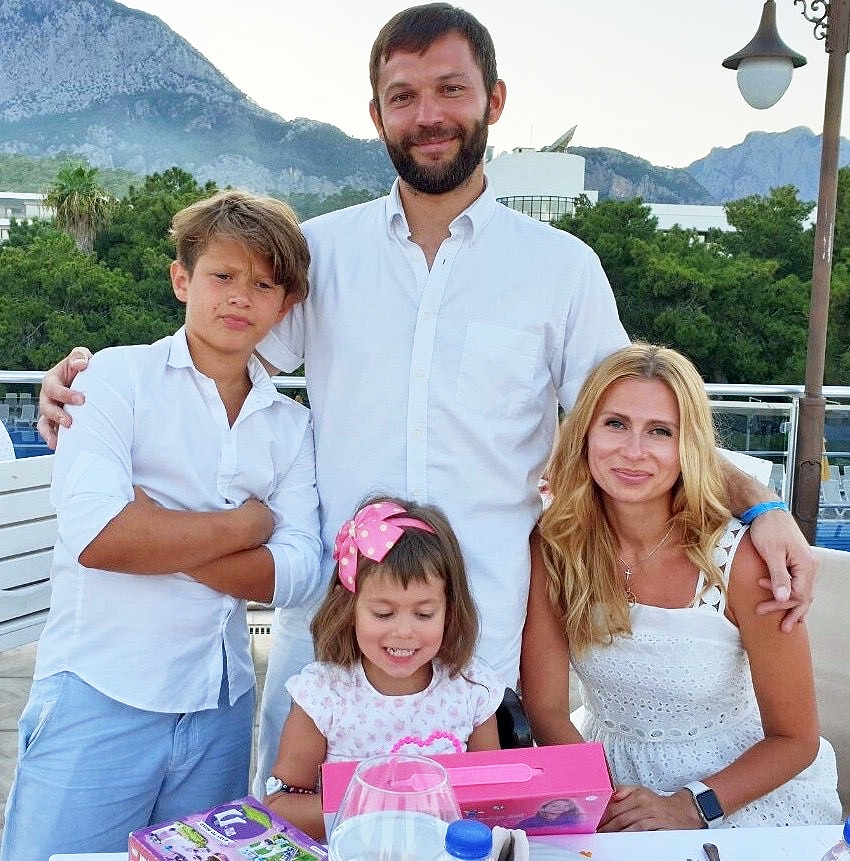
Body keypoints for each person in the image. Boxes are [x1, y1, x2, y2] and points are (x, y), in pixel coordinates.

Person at [36, 3, 816, 802]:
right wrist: (90, 378)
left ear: (495, 101)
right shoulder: (321, 253)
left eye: (451, 89)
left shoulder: (561, 269)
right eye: (403, 96)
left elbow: (633, 427)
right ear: (375, 114)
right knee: (306, 828)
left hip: (483, 664)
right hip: (334, 650)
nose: (429, 115)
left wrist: (760, 505)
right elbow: (212, 361)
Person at [0, 190, 323, 861]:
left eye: (263, 284)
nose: (240, 296)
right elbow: (99, 538)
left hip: (220, 708)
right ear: (182, 279)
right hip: (99, 693)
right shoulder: (116, 378)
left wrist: (156, 530)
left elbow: (296, 573)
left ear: (284, 304)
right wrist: (245, 524)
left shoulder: (289, 426)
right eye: (222, 276)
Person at [520, 343, 840, 831]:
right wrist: (601, 797)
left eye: (660, 432)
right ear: (584, 431)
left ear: (688, 445)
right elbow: (545, 707)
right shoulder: (555, 544)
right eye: (615, 424)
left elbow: (796, 738)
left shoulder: (745, 559)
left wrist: (689, 807)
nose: (633, 451)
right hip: (606, 779)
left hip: (735, 791)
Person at [263, 495, 503, 840]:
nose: (404, 631)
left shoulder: (471, 690)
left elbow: (491, 799)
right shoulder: (322, 696)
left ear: (450, 609)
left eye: (424, 614)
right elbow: (281, 807)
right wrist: (387, 803)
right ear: (350, 609)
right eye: (383, 613)